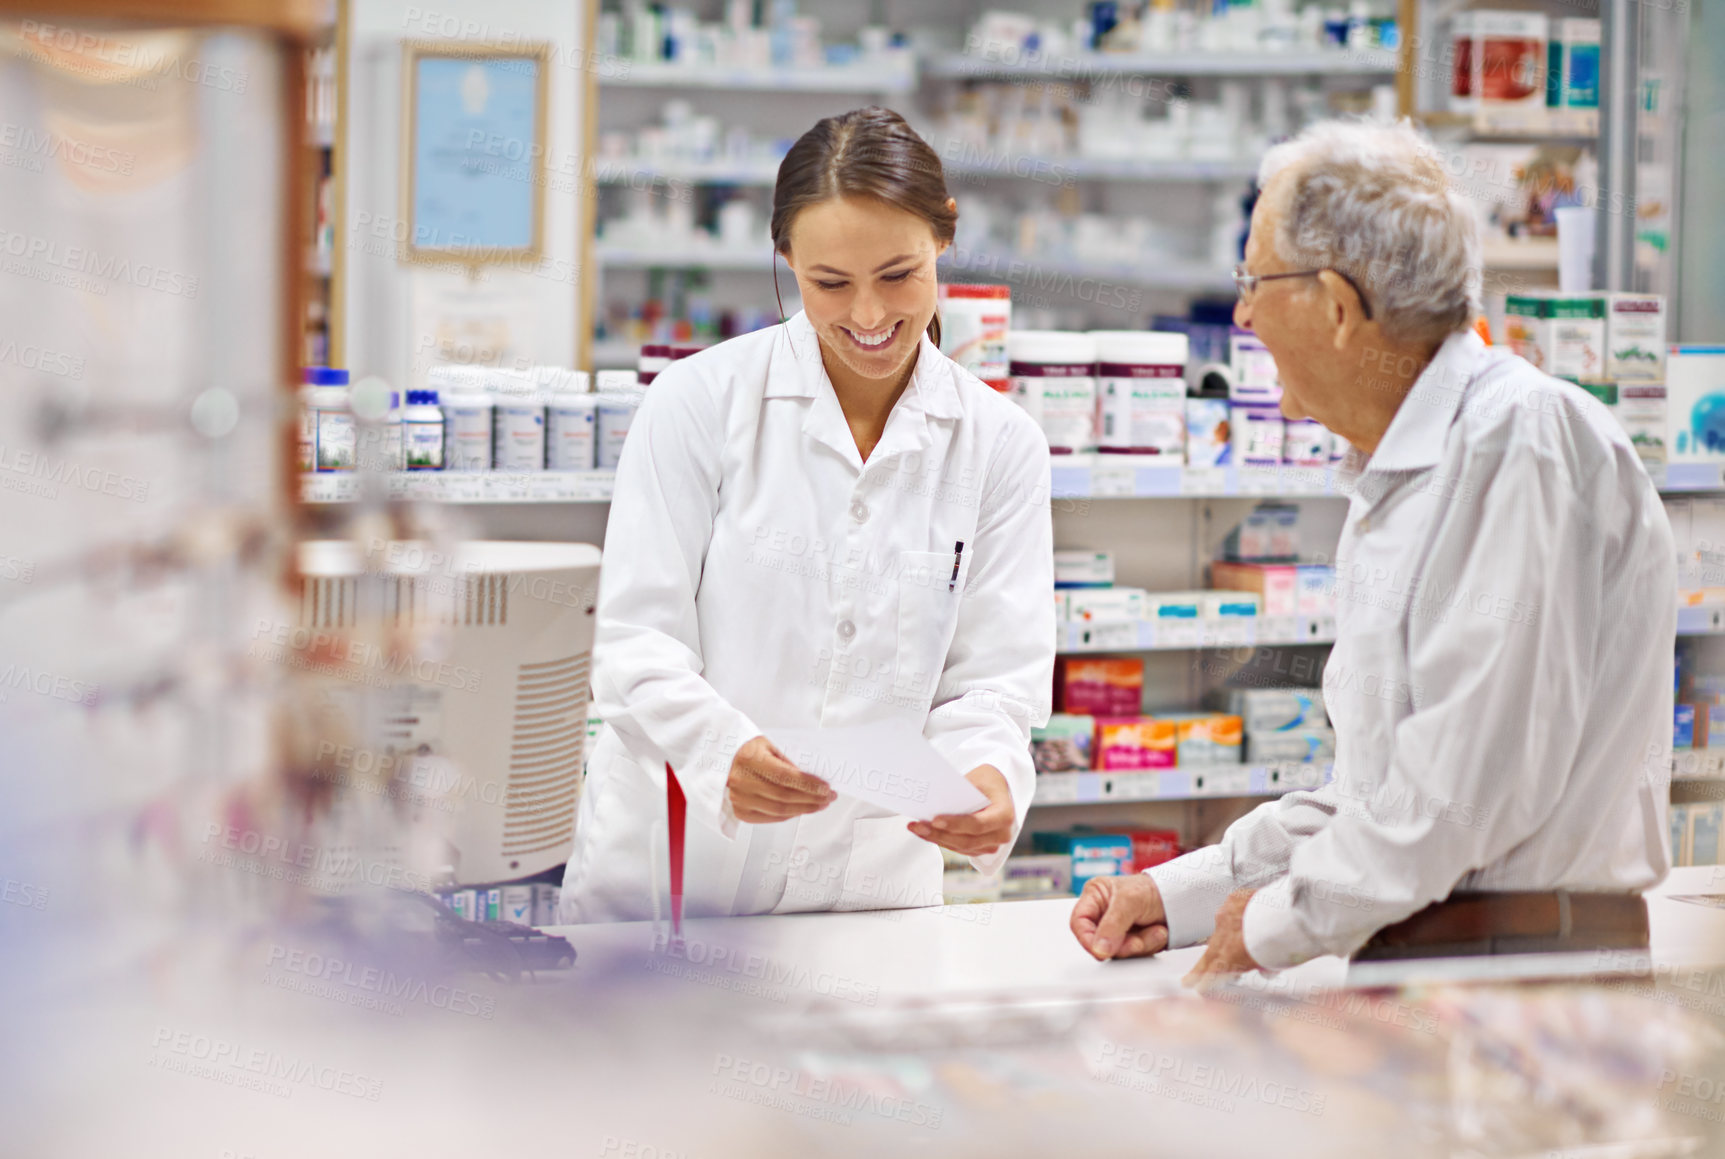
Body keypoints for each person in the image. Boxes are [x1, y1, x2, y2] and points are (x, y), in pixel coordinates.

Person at [1071, 119, 1675, 978]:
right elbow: (1374, 799)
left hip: (1526, 979)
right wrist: (1175, 897)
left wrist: (1271, 926)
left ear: (1336, 305)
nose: (1242, 313)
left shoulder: (1519, 444)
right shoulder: (1401, 470)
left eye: (1253, 281)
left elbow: (1460, 799)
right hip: (1443, 968)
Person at [561, 107, 1055, 923]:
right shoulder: (697, 403)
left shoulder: (999, 444)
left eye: (898, 275)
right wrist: (721, 753)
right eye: (829, 283)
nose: (867, 316)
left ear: (945, 237)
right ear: (785, 258)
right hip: (679, 882)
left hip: (871, 891)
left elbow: (992, 683)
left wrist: (987, 777)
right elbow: (633, 643)